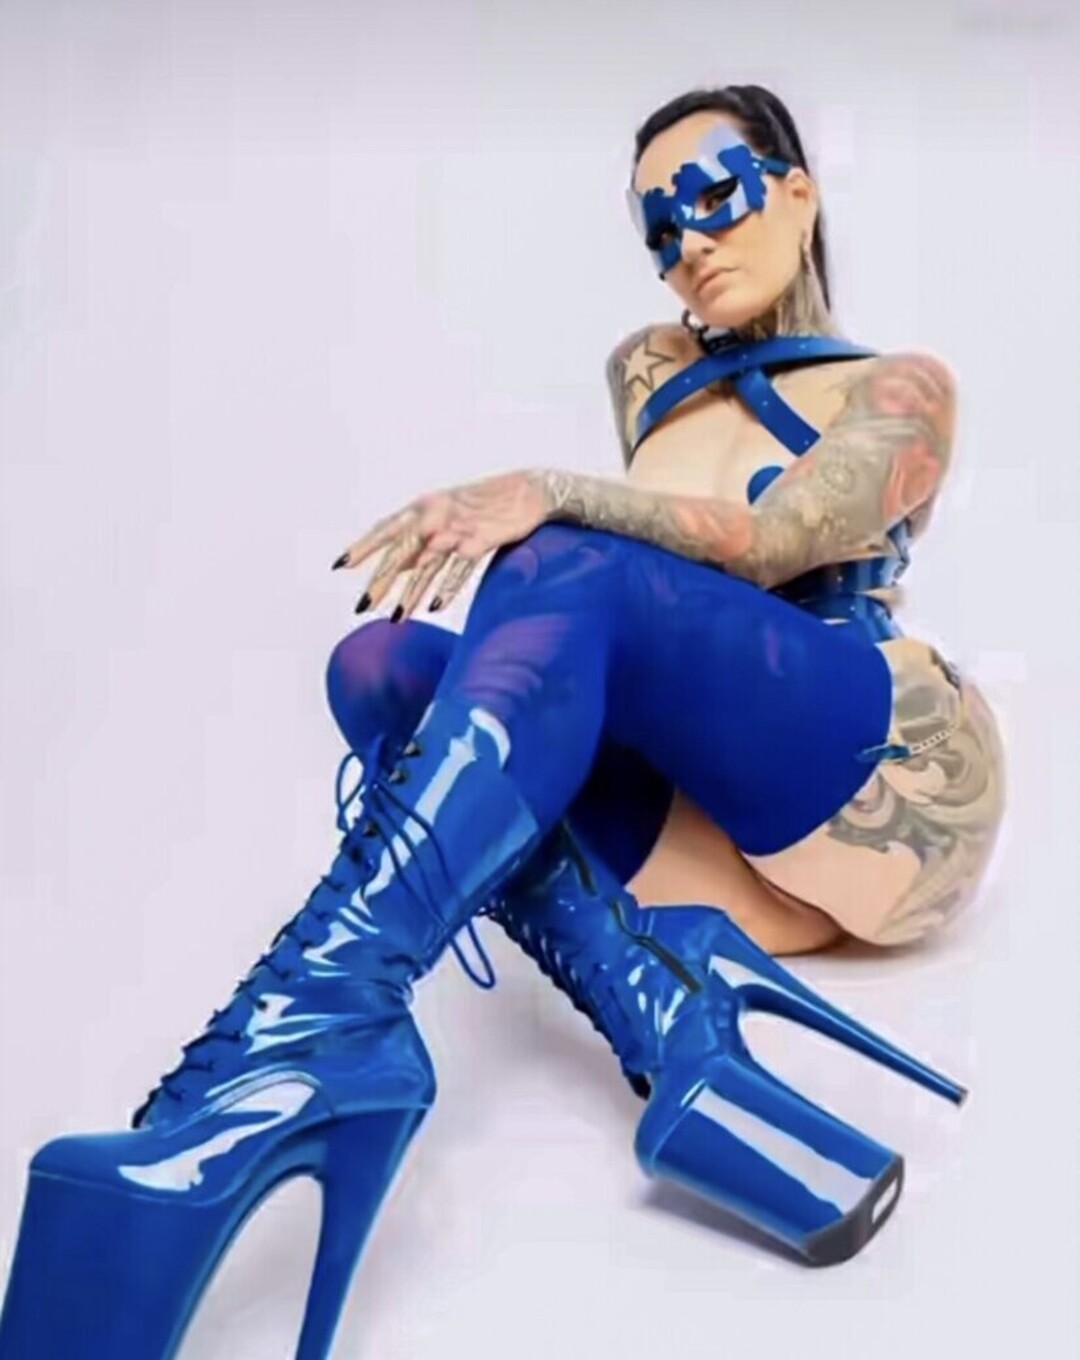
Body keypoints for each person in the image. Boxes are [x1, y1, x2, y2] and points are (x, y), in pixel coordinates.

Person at [0, 84, 1003, 1359]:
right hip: (718, 841)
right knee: (382, 668)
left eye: (716, 194)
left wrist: (544, 492)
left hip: (887, 778)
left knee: (558, 558)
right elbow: (623, 629)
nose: (689, 242)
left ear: (799, 193)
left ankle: (295, 1037)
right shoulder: (649, 373)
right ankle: (662, 1010)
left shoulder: (901, 384)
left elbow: (770, 543)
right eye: (658, 227)